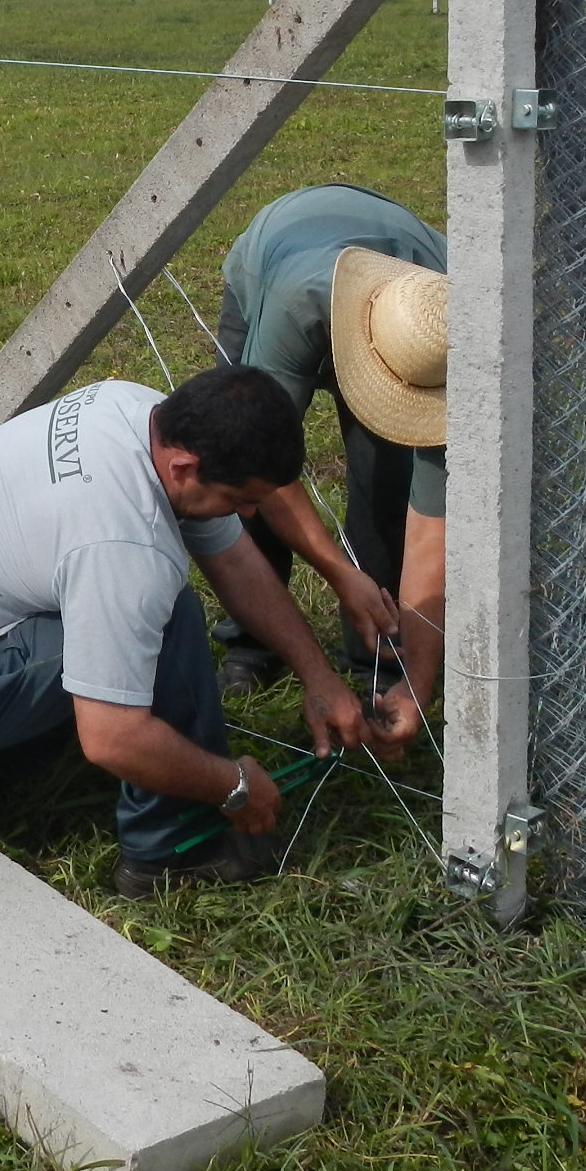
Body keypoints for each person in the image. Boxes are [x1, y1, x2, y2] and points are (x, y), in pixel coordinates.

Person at [0, 366, 373, 894]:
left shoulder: (134, 408)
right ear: (184, 467)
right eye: (238, 500)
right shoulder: (124, 545)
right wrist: (233, 786)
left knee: (130, 619)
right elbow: (112, 737)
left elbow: (234, 560)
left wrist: (317, 676)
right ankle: (171, 849)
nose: (249, 515)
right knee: (167, 614)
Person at [208, 185, 447, 749]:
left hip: (405, 302)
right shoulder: (294, 303)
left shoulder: (446, 331)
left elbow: (430, 537)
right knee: (237, 477)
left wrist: (417, 684)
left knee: (387, 491)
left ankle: (379, 665)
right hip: (278, 256)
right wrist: (341, 574)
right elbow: (261, 466)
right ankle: (252, 643)